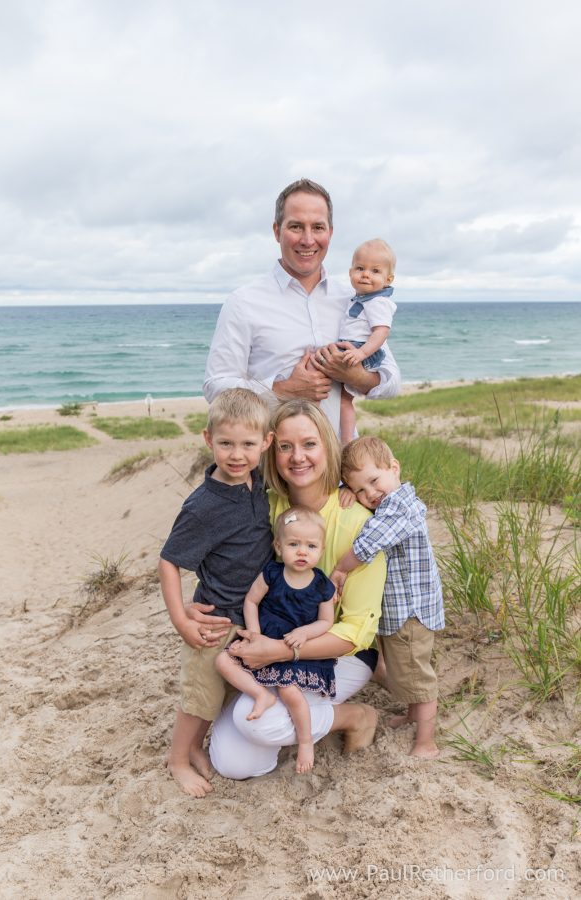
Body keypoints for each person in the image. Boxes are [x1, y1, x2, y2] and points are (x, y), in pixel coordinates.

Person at [204, 399, 388, 780]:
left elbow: (357, 631)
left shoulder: (358, 522)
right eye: (285, 446)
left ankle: (354, 716)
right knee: (234, 763)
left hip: (339, 654)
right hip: (267, 644)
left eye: (309, 444)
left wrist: (281, 650)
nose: (297, 457)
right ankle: (277, 707)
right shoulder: (265, 507)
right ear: (272, 450)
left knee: (254, 722)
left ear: (327, 447)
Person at [203, 178, 401, 438]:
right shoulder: (243, 303)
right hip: (272, 468)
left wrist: (355, 376)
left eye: (318, 227)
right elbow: (215, 388)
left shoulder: (355, 300)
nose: (308, 240)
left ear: (330, 232)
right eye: (296, 226)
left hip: (342, 468)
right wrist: (281, 391)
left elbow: (392, 382)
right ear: (277, 231)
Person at [158, 388, 273, 797]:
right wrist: (180, 618)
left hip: (247, 618)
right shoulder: (204, 506)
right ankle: (177, 759)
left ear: (266, 443)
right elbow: (169, 561)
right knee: (200, 696)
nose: (237, 454)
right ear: (209, 441)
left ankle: (195, 749)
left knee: (219, 693)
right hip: (215, 619)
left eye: (247, 444)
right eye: (226, 444)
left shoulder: (257, 483)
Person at [330, 436, 444, 758]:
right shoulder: (389, 501)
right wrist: (343, 488)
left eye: (375, 481)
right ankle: (412, 714)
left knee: (418, 676)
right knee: (402, 669)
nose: (370, 494)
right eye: (360, 490)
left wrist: (340, 568)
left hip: (411, 611)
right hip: (400, 610)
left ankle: (426, 740)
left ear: (394, 468)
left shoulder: (400, 507)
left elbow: (369, 543)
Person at [216, 506, 337, 774]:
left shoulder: (322, 586)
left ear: (322, 549)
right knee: (224, 660)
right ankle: (260, 695)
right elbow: (251, 600)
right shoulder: (272, 573)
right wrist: (255, 633)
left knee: (289, 691)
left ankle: (306, 741)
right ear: (279, 547)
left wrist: (305, 632)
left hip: (295, 646)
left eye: (311, 546)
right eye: (294, 544)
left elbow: (326, 622)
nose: (302, 551)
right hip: (265, 635)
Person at [336, 239, 397, 445]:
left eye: (375, 271)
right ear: (350, 271)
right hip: (353, 347)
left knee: (344, 400)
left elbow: (381, 332)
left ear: (388, 280)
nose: (366, 274)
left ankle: (347, 442)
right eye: (360, 268)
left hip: (362, 351)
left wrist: (361, 354)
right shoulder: (359, 298)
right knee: (341, 399)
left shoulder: (378, 302)